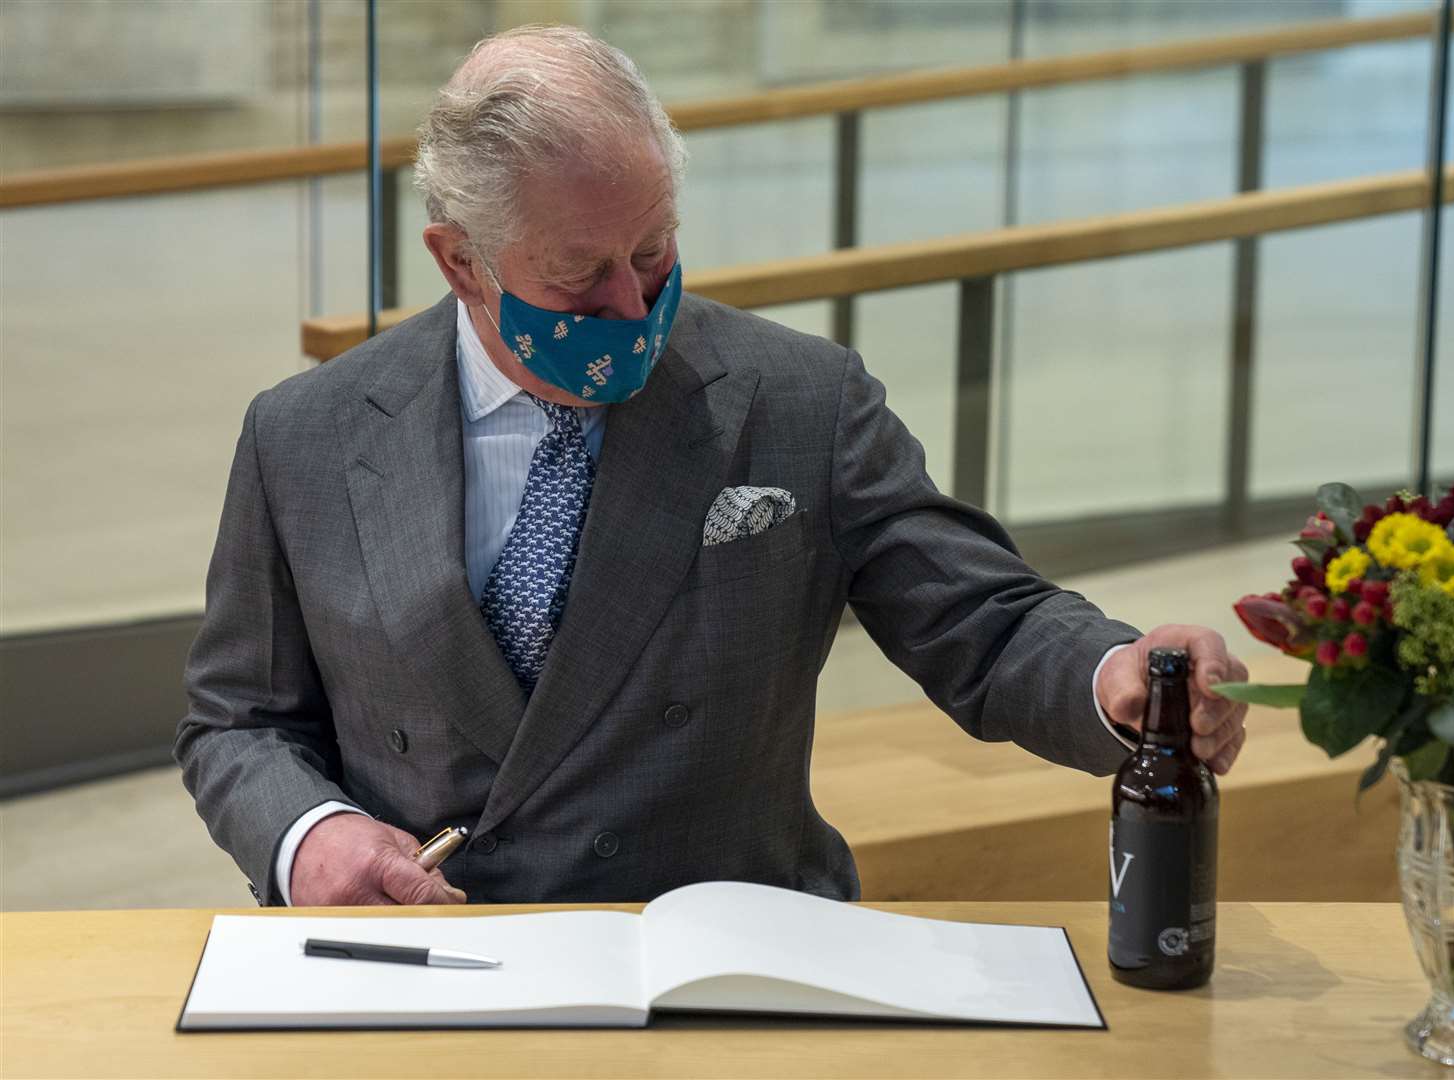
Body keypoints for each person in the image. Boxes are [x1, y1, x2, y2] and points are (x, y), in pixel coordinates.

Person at [175, 25, 1249, 908]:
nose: (633, 311)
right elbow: (240, 721)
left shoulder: (800, 399)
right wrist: (310, 838)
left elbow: (986, 620)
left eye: (654, 254)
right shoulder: (303, 435)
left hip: (728, 955)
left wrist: (1114, 677)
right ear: (461, 259)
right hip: (439, 962)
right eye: (581, 276)